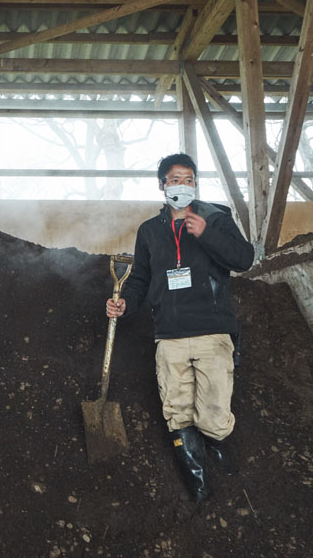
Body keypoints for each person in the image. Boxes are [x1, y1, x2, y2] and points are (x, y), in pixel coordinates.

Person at [106, 153, 254, 502]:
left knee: (213, 416)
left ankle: (217, 445)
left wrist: (205, 235)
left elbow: (244, 259)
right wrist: (125, 304)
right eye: (175, 179)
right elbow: (141, 278)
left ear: (195, 183)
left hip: (211, 331)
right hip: (169, 335)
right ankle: (198, 482)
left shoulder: (216, 218)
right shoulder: (149, 231)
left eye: (189, 179)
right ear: (162, 185)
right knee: (177, 411)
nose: (182, 185)